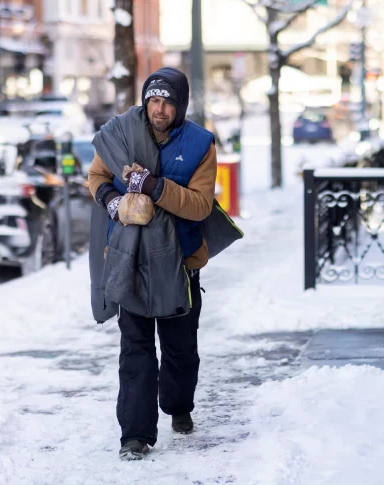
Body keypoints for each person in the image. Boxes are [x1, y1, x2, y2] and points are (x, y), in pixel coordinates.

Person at [87, 67, 218, 460]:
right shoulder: (120, 133)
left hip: (179, 264)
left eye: (167, 102)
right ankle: (135, 435)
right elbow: (96, 177)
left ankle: (179, 407)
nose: (159, 108)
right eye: (153, 99)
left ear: (180, 106)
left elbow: (199, 206)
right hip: (130, 260)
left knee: (179, 350)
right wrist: (113, 201)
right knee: (136, 350)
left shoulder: (199, 144)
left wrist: (155, 188)